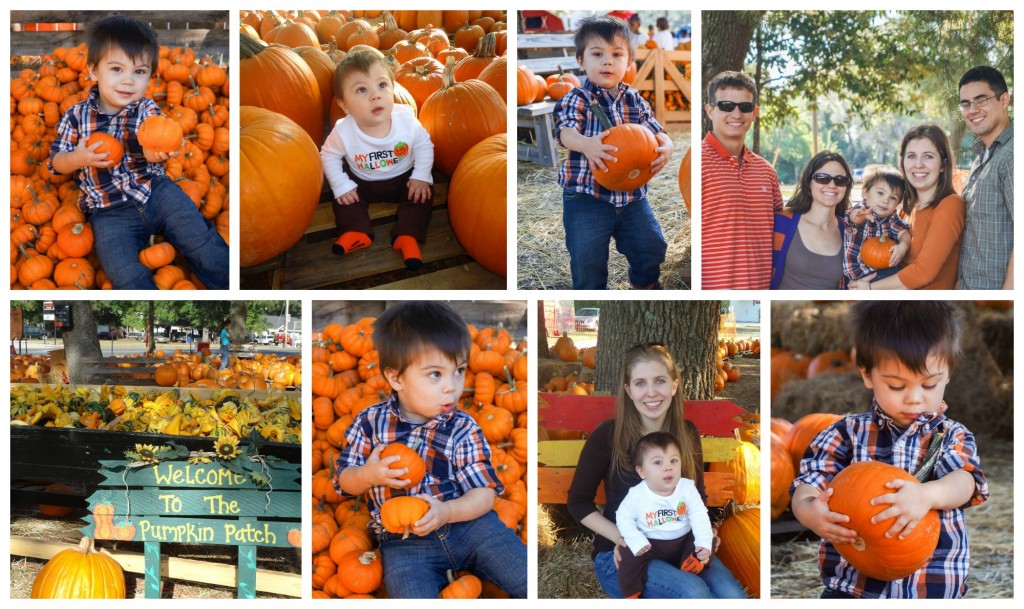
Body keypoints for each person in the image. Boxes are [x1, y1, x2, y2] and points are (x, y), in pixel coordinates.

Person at [790, 301, 988, 598]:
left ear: (947, 374)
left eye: (929, 385)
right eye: (897, 386)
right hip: (854, 588)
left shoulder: (950, 435)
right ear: (868, 375)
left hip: (931, 588)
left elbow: (965, 481)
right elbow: (809, 483)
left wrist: (927, 495)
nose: (914, 399)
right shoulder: (846, 434)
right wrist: (809, 512)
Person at [334, 302, 526, 598]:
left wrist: (447, 511)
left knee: (523, 573)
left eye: (459, 371)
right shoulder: (370, 422)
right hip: (404, 542)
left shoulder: (464, 426)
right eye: (435, 374)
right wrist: (367, 474)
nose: (452, 386)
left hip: (471, 527)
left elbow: (484, 493)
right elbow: (342, 483)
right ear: (396, 378)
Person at [48, 16, 228, 290]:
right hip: (109, 211)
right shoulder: (76, 116)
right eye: (117, 69)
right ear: (94, 70)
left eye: (139, 72)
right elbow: (55, 162)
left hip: (156, 193)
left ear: (151, 76)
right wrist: (77, 158)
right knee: (123, 270)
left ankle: (225, 286)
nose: (128, 81)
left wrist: (156, 153)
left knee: (202, 241)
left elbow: (155, 142)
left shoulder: (146, 109)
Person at [567, 343, 745, 598]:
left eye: (659, 381)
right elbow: (578, 502)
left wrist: (706, 532)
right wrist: (622, 538)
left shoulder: (687, 434)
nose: (651, 393)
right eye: (640, 383)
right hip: (623, 555)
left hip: (680, 546)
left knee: (733, 597)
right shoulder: (608, 436)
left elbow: (697, 497)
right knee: (694, 593)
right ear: (628, 390)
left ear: (674, 385)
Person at [554, 16, 674, 290]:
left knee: (651, 245)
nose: (607, 61)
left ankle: (645, 284)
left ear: (629, 62)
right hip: (586, 197)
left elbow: (658, 131)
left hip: (632, 195)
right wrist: (586, 144)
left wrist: (667, 146)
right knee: (587, 259)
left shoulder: (635, 100)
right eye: (598, 54)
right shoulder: (577, 99)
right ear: (582, 61)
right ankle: (592, 292)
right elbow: (565, 131)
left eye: (617, 54)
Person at [320, 51, 434, 270]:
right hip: (362, 181)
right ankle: (356, 230)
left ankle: (407, 236)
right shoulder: (343, 131)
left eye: (382, 85)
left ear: (393, 89)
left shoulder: (406, 119)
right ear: (344, 105)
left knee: (423, 196)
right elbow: (328, 155)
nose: (375, 95)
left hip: (404, 178)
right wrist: (341, 185)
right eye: (362, 90)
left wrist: (420, 176)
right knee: (343, 198)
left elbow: (423, 146)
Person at [848, 125, 965, 290]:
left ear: (943, 165)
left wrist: (869, 289)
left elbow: (923, 272)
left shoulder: (950, 205)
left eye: (928, 156)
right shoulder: (904, 209)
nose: (918, 164)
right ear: (902, 163)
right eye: (911, 156)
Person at [701, 71, 783, 289]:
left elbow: (783, 229)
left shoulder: (767, 171)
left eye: (745, 107)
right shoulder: (696, 164)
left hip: (761, 290)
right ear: (710, 111)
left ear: (754, 112)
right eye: (727, 106)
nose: (736, 113)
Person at [616, 432, 713, 599]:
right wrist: (635, 539)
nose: (668, 467)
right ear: (642, 471)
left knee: (704, 538)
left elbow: (699, 516)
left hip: (682, 541)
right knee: (627, 555)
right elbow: (622, 517)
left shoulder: (687, 488)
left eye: (673, 461)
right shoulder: (637, 495)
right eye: (658, 462)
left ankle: (692, 561)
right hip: (649, 544)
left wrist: (704, 543)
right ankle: (631, 592)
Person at [956, 66, 1014, 290]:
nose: (972, 110)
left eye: (981, 100)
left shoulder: (1012, 154)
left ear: (1004, 100)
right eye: (966, 104)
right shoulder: (982, 156)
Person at [770, 151, 850, 289]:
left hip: (824, 310)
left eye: (840, 180)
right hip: (779, 309)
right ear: (808, 182)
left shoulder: (849, 231)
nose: (832, 185)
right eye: (822, 178)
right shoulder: (780, 222)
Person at [842, 165, 911, 283]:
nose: (885, 200)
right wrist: (859, 217)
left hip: (885, 270)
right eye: (880, 193)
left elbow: (903, 232)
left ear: (898, 203)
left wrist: (903, 246)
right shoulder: (862, 210)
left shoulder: (891, 218)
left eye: (893, 198)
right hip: (859, 272)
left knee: (906, 279)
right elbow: (853, 218)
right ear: (865, 192)